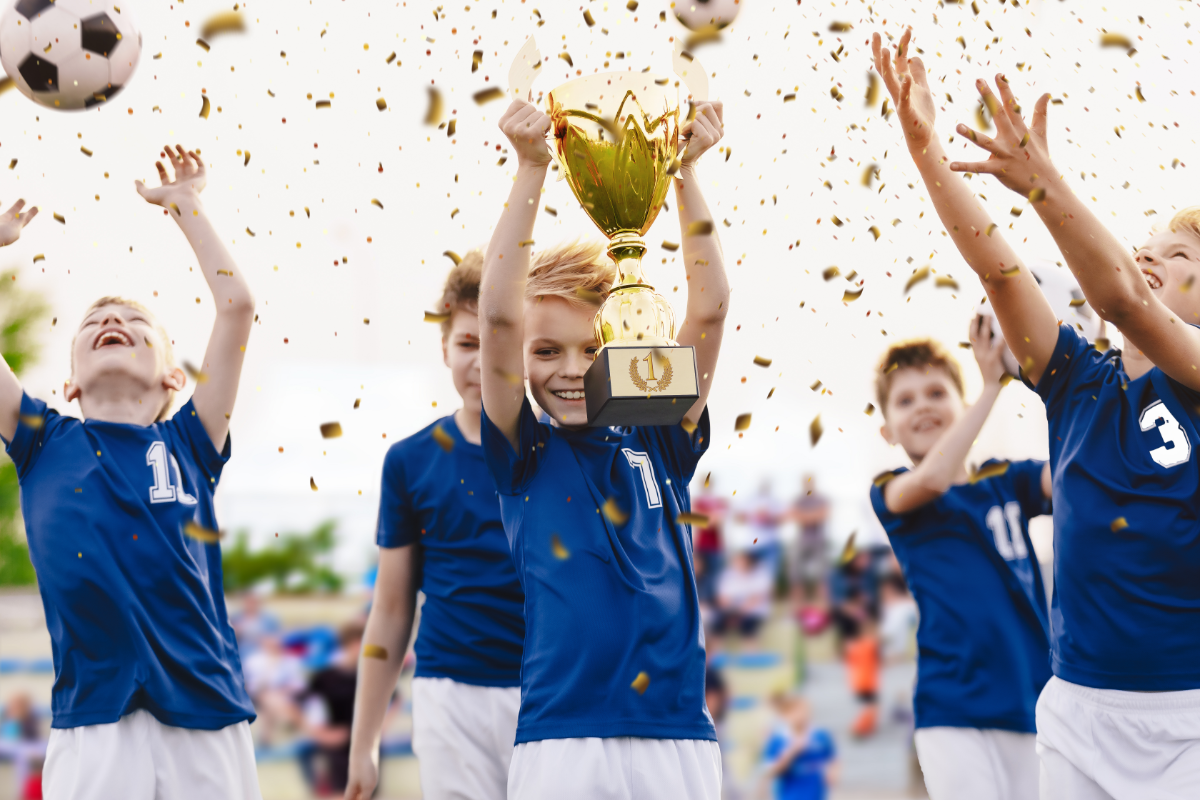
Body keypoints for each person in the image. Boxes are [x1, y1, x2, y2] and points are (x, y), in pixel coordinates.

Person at [878, 25, 1200, 797]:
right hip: (1078, 710)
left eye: (1180, 257)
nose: (1149, 257)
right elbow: (995, 264)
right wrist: (925, 148)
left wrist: (1041, 182)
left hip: (1186, 713)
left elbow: (1120, 294)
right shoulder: (1074, 379)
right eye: (1144, 245)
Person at [478, 96, 729, 798]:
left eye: (594, 348)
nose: (571, 368)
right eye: (547, 350)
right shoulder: (520, 450)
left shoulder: (660, 437)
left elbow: (710, 309)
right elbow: (497, 314)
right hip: (562, 739)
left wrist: (684, 174)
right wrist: (531, 168)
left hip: (677, 732)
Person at [0, 146, 259, 799]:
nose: (111, 320)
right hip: (92, 720)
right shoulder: (41, 440)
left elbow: (237, 308)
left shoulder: (192, 441)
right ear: (69, 384)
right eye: (93, 323)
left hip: (207, 712)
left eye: (135, 322)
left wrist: (188, 208)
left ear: (174, 377)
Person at [345, 251, 525, 800]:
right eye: (467, 343)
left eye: (498, 343)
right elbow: (392, 609)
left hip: (549, 692)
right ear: (443, 346)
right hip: (450, 696)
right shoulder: (410, 460)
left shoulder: (558, 454)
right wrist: (363, 743)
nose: (481, 360)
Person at [863, 320, 1052, 796]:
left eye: (935, 392)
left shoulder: (1006, 481)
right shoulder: (892, 490)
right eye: (905, 401)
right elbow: (933, 479)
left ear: (961, 409)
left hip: (1036, 703)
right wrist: (991, 386)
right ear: (887, 431)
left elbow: (1076, 472)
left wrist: (1057, 372)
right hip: (953, 709)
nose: (923, 405)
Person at [300, 622, 370, 798]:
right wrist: (320, 734)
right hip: (336, 749)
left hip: (364, 746)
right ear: (353, 643)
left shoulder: (368, 676)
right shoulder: (326, 676)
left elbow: (395, 698)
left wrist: (380, 728)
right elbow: (304, 705)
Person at [761, 695, 839, 800]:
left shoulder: (821, 735)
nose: (803, 715)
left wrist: (832, 772)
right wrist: (791, 752)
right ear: (786, 714)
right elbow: (770, 771)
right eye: (797, 711)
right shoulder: (778, 739)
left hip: (816, 794)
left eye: (805, 711)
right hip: (789, 795)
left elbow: (832, 758)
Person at [242, 633, 307, 746]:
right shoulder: (253, 661)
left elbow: (299, 683)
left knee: (270, 703)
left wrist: (285, 689)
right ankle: (290, 720)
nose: (273, 646)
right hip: (258, 694)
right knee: (269, 696)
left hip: (284, 695)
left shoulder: (290, 660)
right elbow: (250, 685)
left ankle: (266, 739)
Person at [714, 550, 772, 649]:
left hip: (753, 611)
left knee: (748, 625)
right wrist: (731, 611)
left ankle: (751, 656)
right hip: (731, 610)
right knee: (717, 623)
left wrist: (739, 613)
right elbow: (722, 598)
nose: (739, 563)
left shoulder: (760, 575)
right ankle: (716, 654)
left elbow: (757, 598)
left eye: (742, 561)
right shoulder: (727, 574)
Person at [789, 475, 831, 604]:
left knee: (822, 575)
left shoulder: (822, 499)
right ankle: (798, 606)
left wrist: (805, 516)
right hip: (801, 541)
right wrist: (813, 515)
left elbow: (823, 515)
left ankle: (823, 605)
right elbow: (795, 516)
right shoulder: (798, 499)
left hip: (819, 541)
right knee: (796, 574)